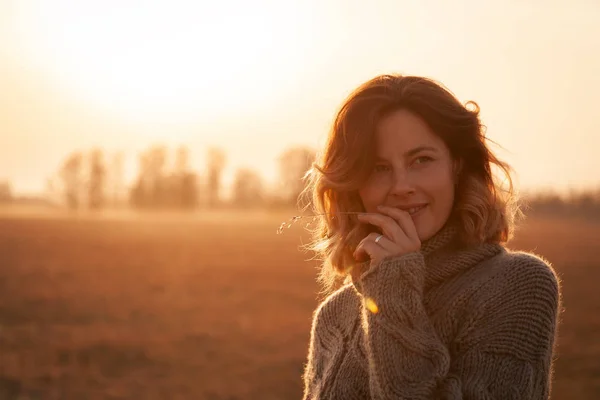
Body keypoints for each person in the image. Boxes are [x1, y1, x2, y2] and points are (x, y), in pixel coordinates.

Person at [300, 74, 561, 399]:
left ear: (456, 165)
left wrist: (394, 287)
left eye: (421, 160)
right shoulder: (333, 316)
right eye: (379, 168)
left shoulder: (518, 284)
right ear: (356, 185)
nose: (401, 186)